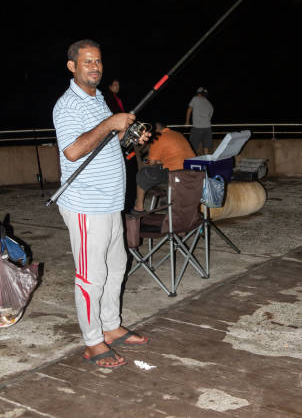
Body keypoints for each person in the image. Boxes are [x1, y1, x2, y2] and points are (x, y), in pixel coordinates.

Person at [53, 39, 150, 369]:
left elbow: (105, 140)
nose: (95, 66)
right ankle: (93, 341)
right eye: (87, 62)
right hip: (85, 204)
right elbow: (73, 150)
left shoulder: (98, 100)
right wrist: (111, 123)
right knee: (91, 276)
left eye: (98, 61)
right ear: (73, 67)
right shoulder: (67, 105)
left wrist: (128, 135)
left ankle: (110, 326)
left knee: (116, 267)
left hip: (110, 202)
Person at [132, 121, 195, 213]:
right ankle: (166, 199)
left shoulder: (159, 137)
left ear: (155, 129)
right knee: (161, 168)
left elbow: (151, 163)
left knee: (143, 174)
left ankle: (139, 207)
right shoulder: (177, 134)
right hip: (192, 171)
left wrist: (142, 159)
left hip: (176, 174)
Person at [103, 78, 138, 214]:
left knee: (131, 170)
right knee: (126, 171)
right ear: (110, 86)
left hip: (125, 139)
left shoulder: (116, 98)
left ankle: (129, 204)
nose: (118, 86)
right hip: (117, 140)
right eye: (115, 84)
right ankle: (125, 206)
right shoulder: (107, 99)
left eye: (118, 84)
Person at [185, 86, 214, 155]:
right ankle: (207, 161)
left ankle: (192, 161)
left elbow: (189, 110)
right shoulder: (209, 104)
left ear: (198, 93)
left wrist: (187, 121)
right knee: (206, 147)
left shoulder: (195, 98)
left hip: (197, 128)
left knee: (192, 147)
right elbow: (210, 117)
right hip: (208, 128)